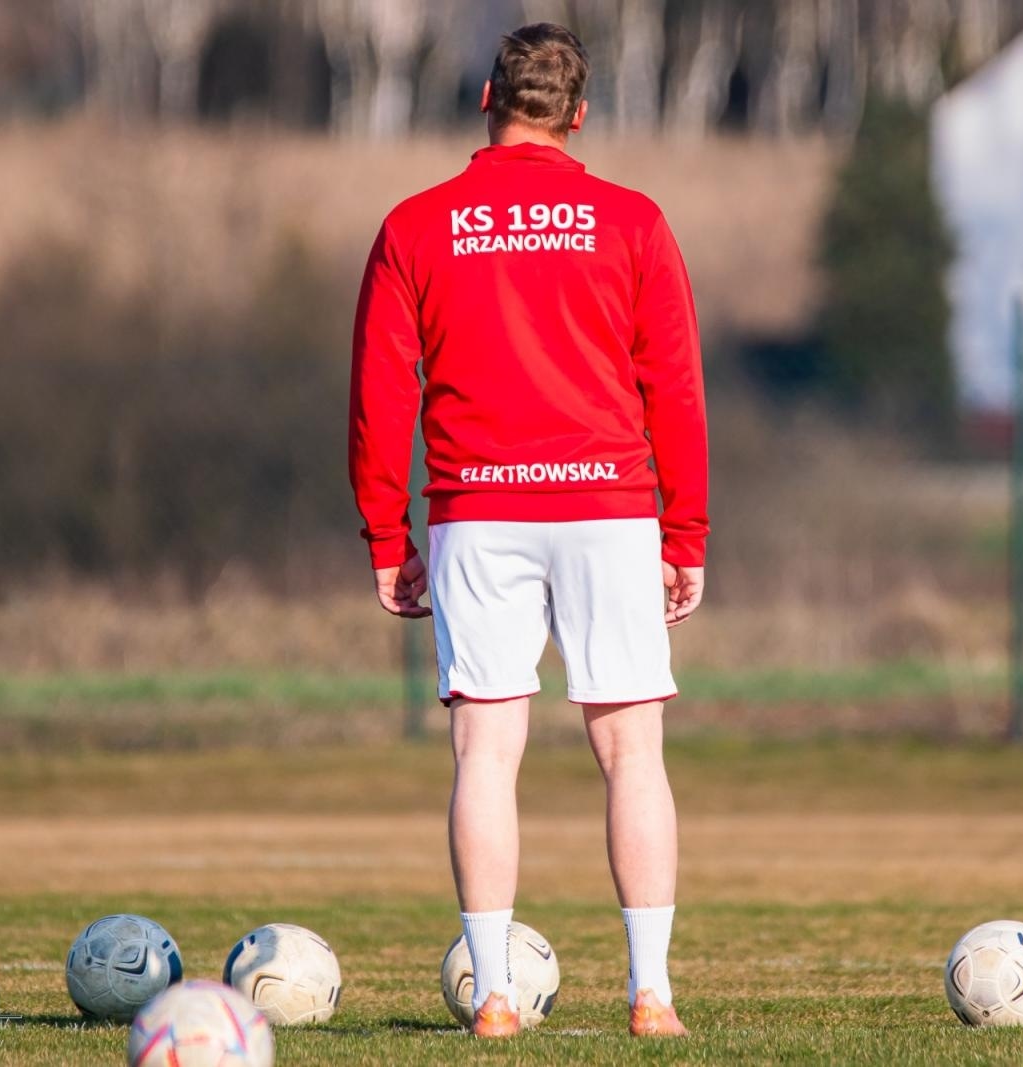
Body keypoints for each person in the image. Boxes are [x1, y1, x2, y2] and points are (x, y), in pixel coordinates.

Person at [347, 22, 707, 1040]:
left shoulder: (418, 223)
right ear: (579, 114)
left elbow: (380, 393)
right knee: (632, 750)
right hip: (607, 506)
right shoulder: (631, 221)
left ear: (485, 100)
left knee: (483, 751)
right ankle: (651, 995)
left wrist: (386, 530)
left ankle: (496, 997)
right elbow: (672, 388)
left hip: (478, 509)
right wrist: (685, 531)